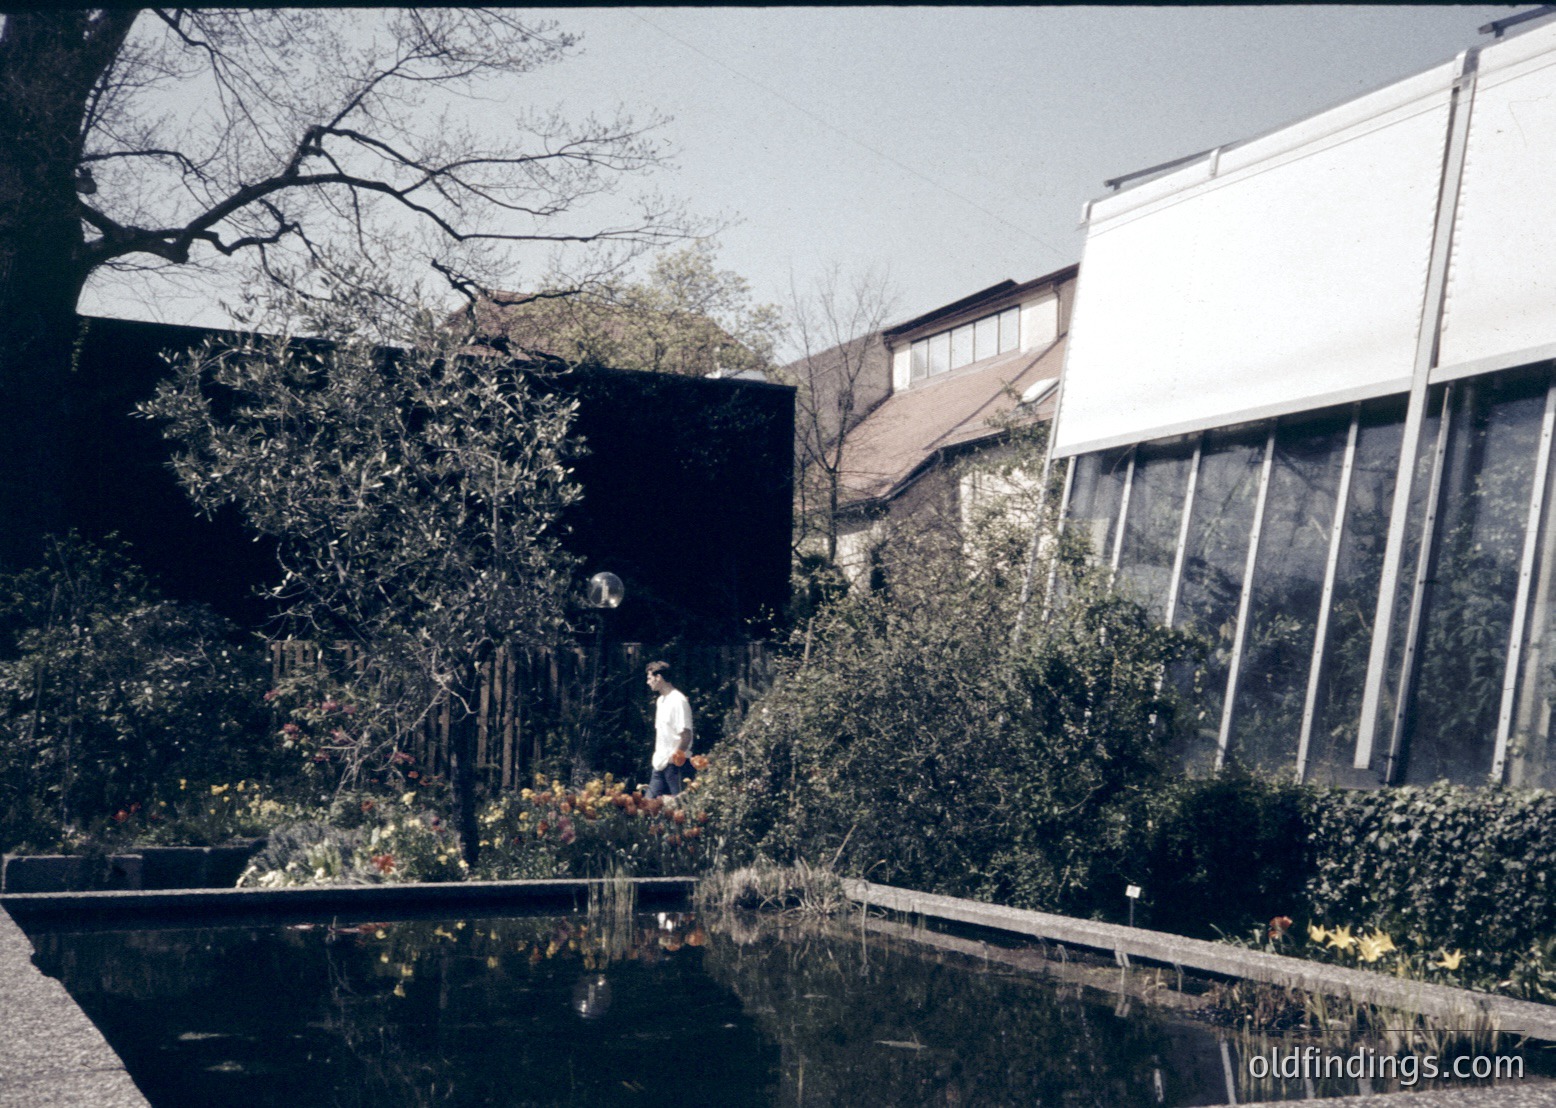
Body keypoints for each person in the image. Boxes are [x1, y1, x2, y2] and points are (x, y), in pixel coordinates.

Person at [645, 659, 693, 798]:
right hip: (660, 764)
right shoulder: (660, 701)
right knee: (649, 806)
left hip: (676, 766)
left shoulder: (678, 701)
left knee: (682, 808)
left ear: (658, 677)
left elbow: (686, 735)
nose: (648, 682)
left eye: (649, 678)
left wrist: (674, 758)